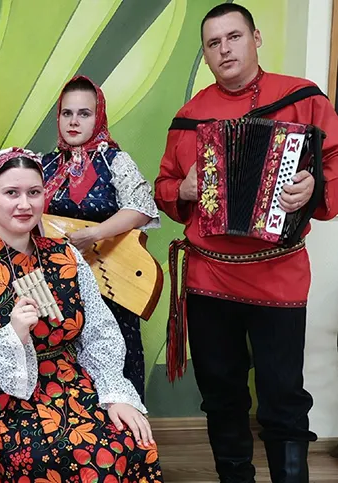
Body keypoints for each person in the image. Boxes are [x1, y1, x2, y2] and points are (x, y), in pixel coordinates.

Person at [154, 4, 338, 482]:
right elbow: (163, 187)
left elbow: (335, 164)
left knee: (282, 395)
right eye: (213, 43)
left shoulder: (303, 98)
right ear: (206, 54)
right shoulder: (188, 118)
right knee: (221, 394)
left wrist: (314, 186)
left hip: (278, 274)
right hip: (209, 276)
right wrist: (182, 190)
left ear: (256, 38)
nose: (224, 49)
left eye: (233, 37)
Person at [0, 147, 162, 482]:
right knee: (63, 458)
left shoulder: (65, 255)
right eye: (11, 193)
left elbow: (100, 333)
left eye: (34, 192)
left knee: (133, 442)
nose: (24, 204)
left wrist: (115, 395)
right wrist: (11, 336)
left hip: (68, 381)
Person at [42, 75, 160, 400]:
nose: (74, 121)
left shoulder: (115, 161)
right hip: (58, 288)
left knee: (117, 367)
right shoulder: (44, 166)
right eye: (67, 113)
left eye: (84, 113)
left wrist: (94, 234)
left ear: (99, 117)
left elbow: (141, 208)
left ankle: (126, 430)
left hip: (111, 286)